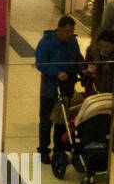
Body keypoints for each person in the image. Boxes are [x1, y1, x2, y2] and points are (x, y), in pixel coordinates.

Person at [35, 16, 85, 164]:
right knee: (46, 121)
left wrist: (83, 69)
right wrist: (57, 72)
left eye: (72, 31)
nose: (70, 34)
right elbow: (41, 63)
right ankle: (44, 150)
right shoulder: (46, 43)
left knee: (63, 120)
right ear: (59, 29)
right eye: (68, 31)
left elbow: (78, 59)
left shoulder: (72, 42)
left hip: (67, 86)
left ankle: (59, 148)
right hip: (50, 89)